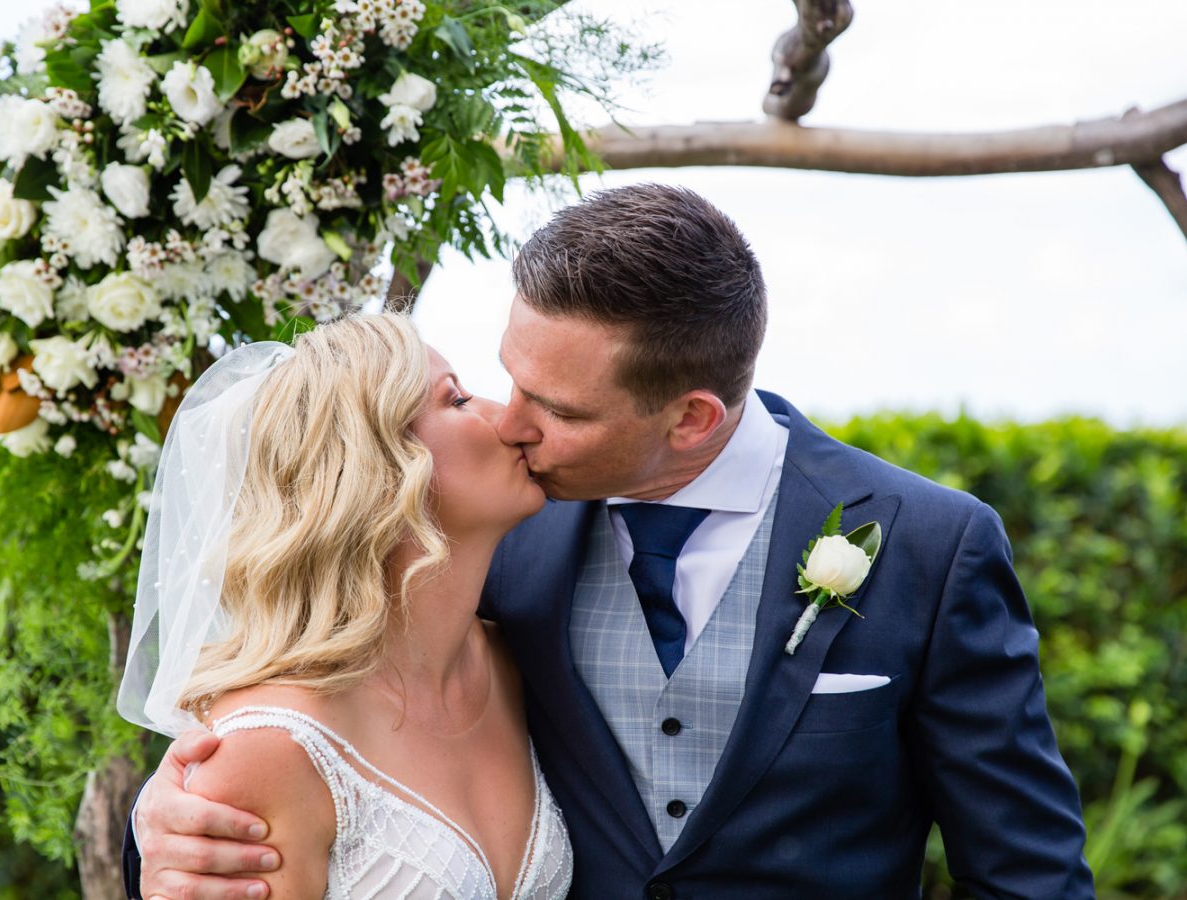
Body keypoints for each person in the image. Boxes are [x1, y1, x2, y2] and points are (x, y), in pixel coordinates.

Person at [125, 184, 1094, 899]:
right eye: (506, 379)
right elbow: (303, 740)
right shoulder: (491, 547)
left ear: (691, 418)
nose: (511, 421)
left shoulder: (933, 547)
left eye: (557, 408)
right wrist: (168, 823)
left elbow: (1028, 875)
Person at [116, 314, 572, 899]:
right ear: (376, 471)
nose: (506, 418)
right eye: (456, 399)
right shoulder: (272, 744)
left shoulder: (513, 662)